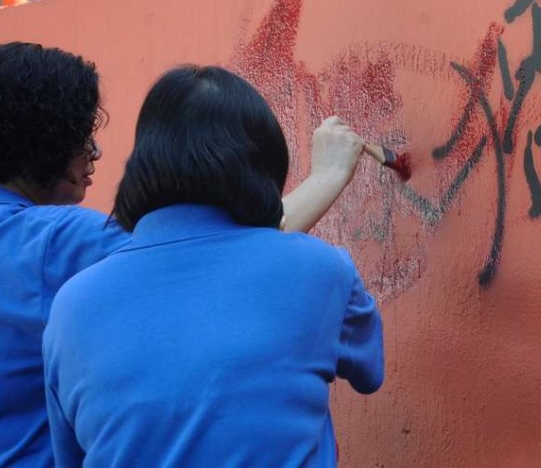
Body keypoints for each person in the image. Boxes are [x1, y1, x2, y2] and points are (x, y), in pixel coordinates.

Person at [0, 43, 364, 466]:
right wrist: (328, 175)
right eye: (81, 135)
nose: (94, 153)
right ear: (40, 139)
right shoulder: (49, 242)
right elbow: (213, 253)